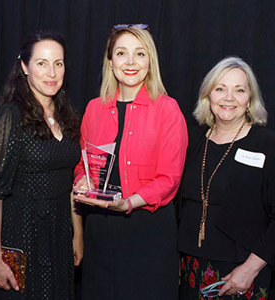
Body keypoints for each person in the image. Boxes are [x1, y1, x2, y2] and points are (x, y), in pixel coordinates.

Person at [73, 24, 188, 299]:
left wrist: (130, 202)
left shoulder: (167, 109)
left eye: (140, 53)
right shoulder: (94, 108)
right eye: (122, 53)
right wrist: (82, 179)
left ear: (150, 61)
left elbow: (169, 178)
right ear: (110, 62)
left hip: (147, 231)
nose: (131, 62)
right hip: (100, 230)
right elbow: (83, 163)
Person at [0, 31, 82, 300]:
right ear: (24, 67)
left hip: (59, 236)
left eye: (58, 63)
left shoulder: (67, 115)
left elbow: (71, 182)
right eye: (42, 63)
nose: (52, 72)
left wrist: (77, 234)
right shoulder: (11, 116)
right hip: (21, 235)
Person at [178, 57, 275, 299]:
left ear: (250, 99)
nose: (229, 98)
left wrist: (250, 269)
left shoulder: (267, 145)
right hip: (189, 270)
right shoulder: (191, 141)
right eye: (220, 89)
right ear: (207, 96)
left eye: (239, 90)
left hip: (242, 273)